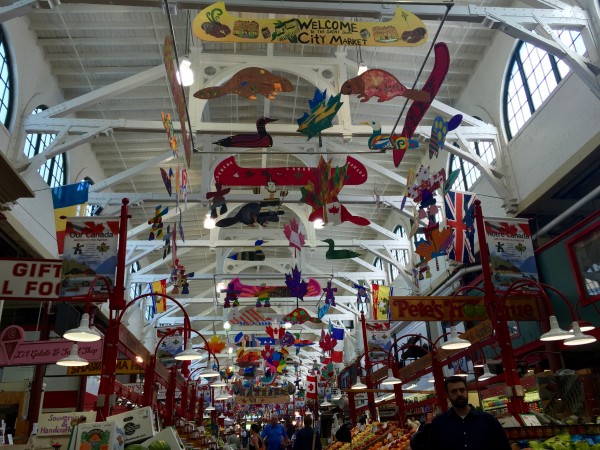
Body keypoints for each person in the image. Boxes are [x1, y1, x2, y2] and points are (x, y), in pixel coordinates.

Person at [428, 376, 512, 450]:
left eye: (462, 390)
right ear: (447, 395)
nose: (459, 394)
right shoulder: (439, 424)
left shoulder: (488, 420)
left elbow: (504, 447)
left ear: (466, 391)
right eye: (454, 391)